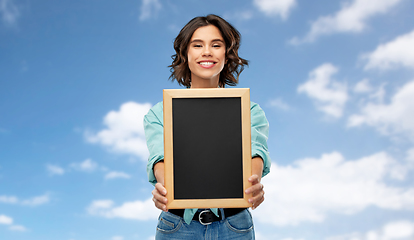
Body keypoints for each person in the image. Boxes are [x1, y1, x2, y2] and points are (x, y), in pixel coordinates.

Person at [144, 14, 271, 240]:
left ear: (227, 53)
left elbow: (255, 151)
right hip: (177, 225)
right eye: (197, 45)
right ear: (185, 53)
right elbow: (159, 158)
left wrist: (253, 182)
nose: (207, 52)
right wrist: (165, 188)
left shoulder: (250, 111)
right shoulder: (159, 113)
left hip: (234, 225)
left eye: (216, 45)